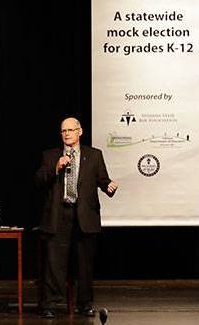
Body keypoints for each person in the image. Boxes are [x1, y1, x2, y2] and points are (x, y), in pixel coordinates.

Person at [35, 117, 118, 318]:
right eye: (63, 131)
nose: (67, 134)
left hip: (84, 215)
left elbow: (102, 180)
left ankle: (85, 304)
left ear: (80, 132)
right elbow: (39, 180)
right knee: (54, 263)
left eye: (71, 130)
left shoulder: (94, 155)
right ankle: (50, 304)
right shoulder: (50, 155)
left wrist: (108, 187)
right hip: (58, 214)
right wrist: (56, 167)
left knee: (84, 264)